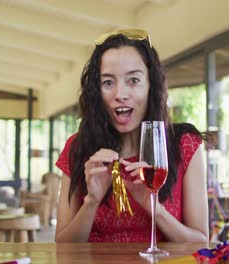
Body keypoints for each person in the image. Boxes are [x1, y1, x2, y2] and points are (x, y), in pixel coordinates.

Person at [55, 29, 209, 243]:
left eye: (133, 80)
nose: (120, 94)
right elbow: (62, 246)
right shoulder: (77, 147)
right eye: (108, 82)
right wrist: (91, 201)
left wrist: (154, 208)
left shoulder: (185, 145)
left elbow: (201, 242)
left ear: (151, 86)